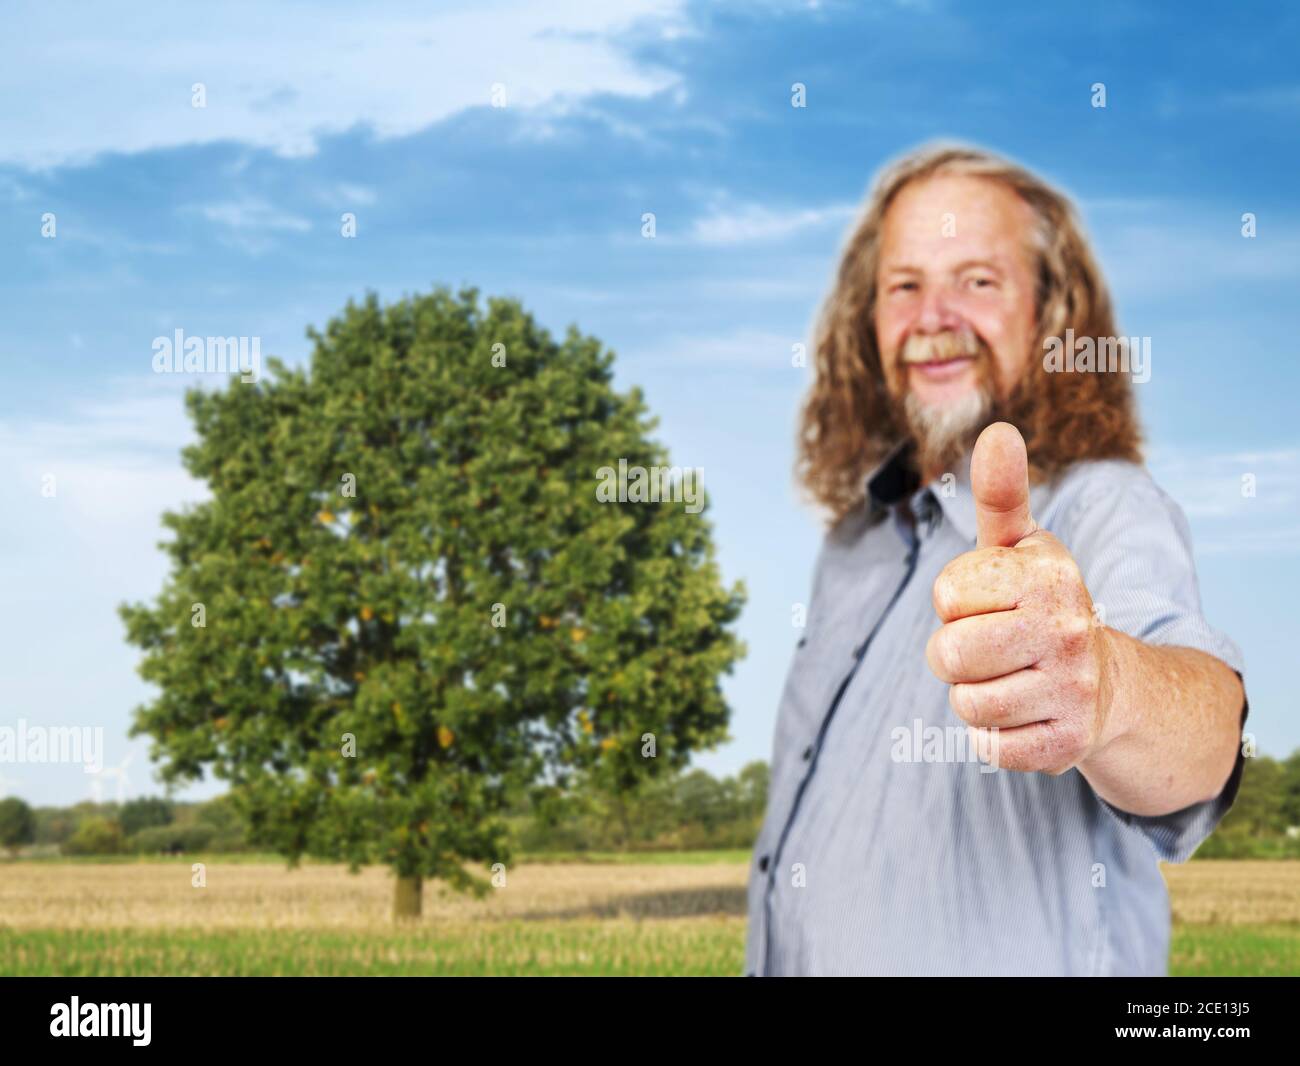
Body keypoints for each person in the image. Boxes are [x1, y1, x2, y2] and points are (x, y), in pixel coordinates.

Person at [745, 144, 1248, 976]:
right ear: (865, 322)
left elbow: (1205, 750)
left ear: (1050, 313)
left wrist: (1109, 685)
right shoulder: (853, 547)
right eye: (904, 286)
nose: (933, 316)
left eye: (977, 281)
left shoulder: (1099, 504)